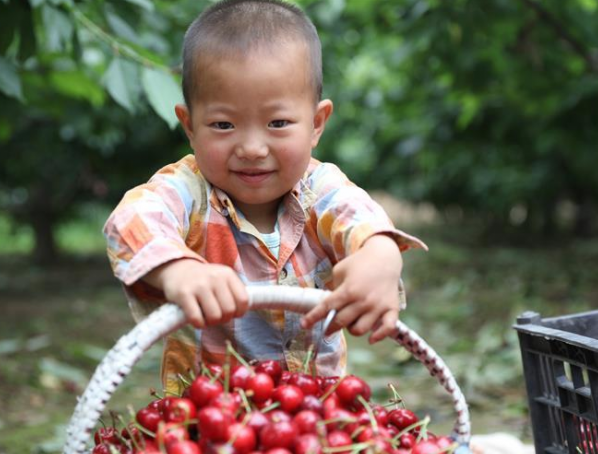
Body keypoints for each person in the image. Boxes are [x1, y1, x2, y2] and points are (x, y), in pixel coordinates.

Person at [104, 0, 426, 394]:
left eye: (278, 123)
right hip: (207, 421)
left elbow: (361, 220)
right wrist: (179, 270)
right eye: (223, 125)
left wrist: (381, 257)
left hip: (312, 417)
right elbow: (131, 221)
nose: (253, 148)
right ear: (189, 126)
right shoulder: (187, 190)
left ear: (316, 124)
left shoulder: (320, 189)